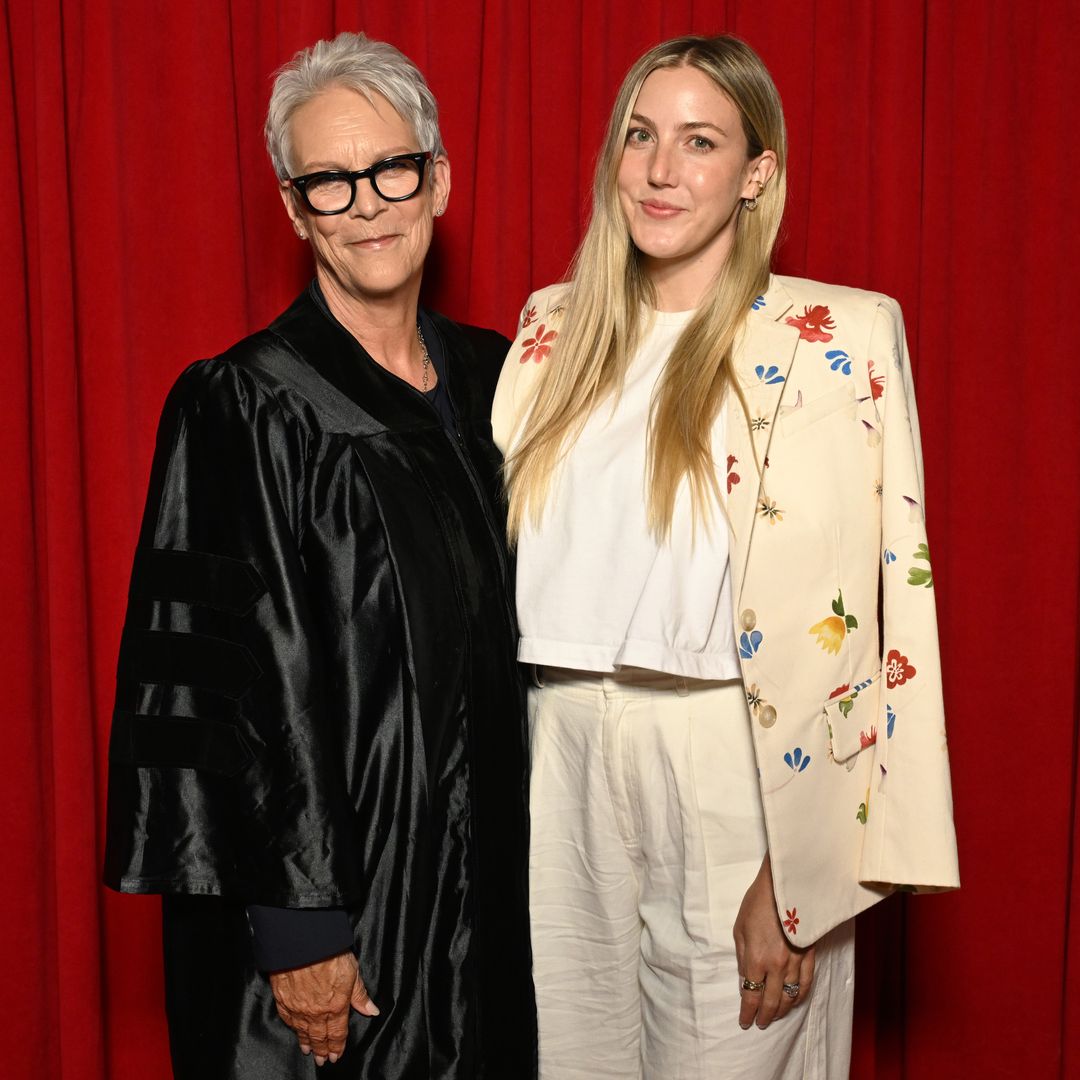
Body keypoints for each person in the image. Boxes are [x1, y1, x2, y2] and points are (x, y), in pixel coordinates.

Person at [493, 34, 959, 1079]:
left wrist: (809, 873)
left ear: (757, 173)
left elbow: (891, 622)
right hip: (558, 748)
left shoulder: (839, 335)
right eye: (641, 137)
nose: (662, 171)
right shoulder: (547, 331)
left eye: (700, 142)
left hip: (737, 764)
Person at [104, 31, 536, 1080]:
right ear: (296, 210)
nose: (370, 204)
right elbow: (228, 688)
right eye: (331, 184)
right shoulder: (242, 404)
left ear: (437, 179)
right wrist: (299, 926)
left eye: (391, 169)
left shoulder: (506, 382)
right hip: (337, 901)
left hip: (493, 889)